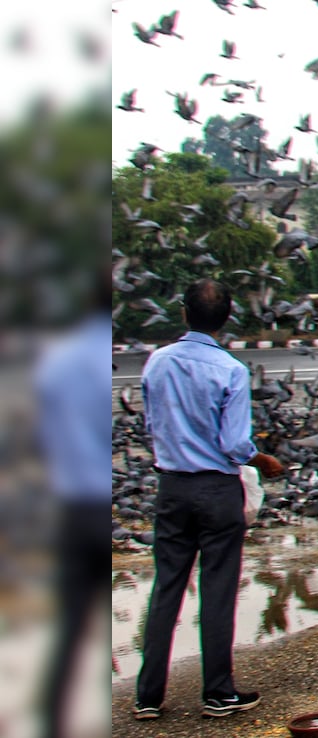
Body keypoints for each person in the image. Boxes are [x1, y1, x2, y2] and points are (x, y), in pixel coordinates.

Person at [134, 279, 285, 722]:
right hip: (217, 489)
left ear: (183, 314)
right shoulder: (231, 369)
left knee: (166, 587)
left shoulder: (156, 363)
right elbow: (235, 443)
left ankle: (148, 696)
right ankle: (218, 693)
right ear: (227, 320)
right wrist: (264, 460)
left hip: (172, 487)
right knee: (217, 590)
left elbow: (152, 422)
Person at [34, 276, 112, 738]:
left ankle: (53, 718)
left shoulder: (56, 361)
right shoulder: (108, 361)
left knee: (69, 624)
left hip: (67, 506)